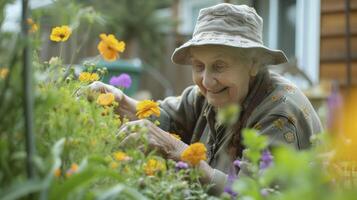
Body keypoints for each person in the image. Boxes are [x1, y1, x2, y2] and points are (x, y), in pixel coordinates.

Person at [86, 3, 322, 195]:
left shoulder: (280, 114)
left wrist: (177, 150)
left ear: (253, 64)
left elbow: (248, 194)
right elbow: (166, 116)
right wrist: (120, 100)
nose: (207, 81)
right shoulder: (205, 95)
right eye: (199, 66)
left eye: (219, 66)